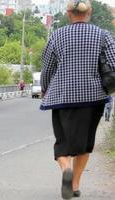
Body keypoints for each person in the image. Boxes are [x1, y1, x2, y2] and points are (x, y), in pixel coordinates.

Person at [40, 0, 115, 199]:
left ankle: (66, 168)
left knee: (62, 141)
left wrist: (45, 88)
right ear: (89, 12)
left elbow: (47, 68)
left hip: (63, 97)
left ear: (68, 14)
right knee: (85, 143)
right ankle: (74, 186)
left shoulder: (57, 35)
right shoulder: (103, 35)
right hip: (94, 98)